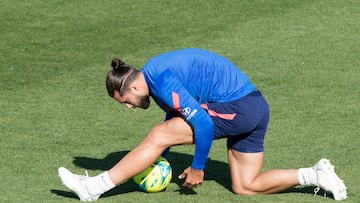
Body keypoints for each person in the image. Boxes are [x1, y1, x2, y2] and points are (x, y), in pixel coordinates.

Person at [58, 48, 347, 201]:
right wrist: (158, 158)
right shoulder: (155, 74)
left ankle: (94, 187)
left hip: (240, 108)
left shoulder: (160, 80)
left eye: (125, 102)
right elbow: (176, 119)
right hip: (256, 107)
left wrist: (198, 168)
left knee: (159, 134)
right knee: (246, 186)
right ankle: (315, 175)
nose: (129, 108)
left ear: (132, 89)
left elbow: (203, 125)